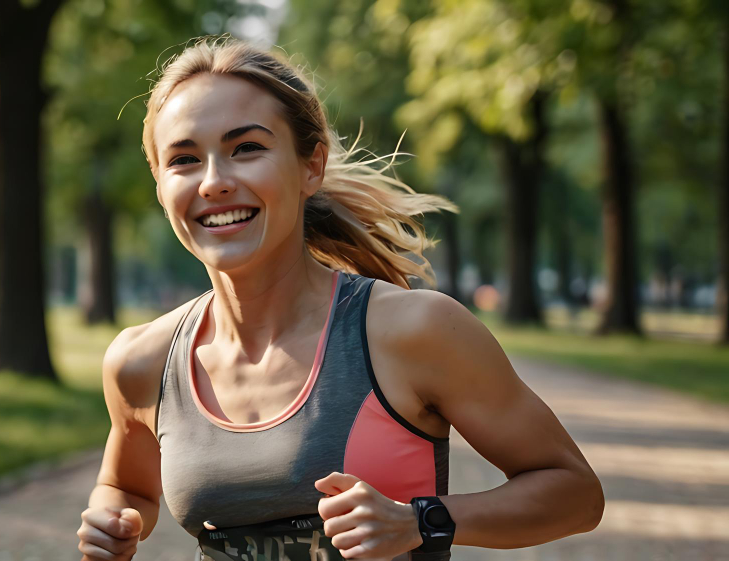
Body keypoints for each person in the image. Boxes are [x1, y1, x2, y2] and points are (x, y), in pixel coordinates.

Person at [77, 36, 604, 561]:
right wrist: (111, 521)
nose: (213, 182)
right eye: (185, 159)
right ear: (161, 186)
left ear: (312, 166)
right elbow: (128, 489)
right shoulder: (141, 361)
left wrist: (419, 520)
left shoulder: (414, 331)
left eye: (247, 148)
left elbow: (575, 494)